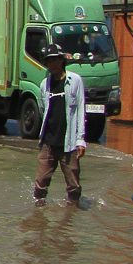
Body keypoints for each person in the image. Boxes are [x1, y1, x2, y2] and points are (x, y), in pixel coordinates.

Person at [32, 48, 86, 205]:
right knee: (40, 183)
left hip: (69, 144)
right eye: (49, 61)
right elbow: (43, 109)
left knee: (73, 184)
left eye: (54, 60)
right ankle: (39, 212)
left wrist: (80, 140)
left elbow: (81, 110)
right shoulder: (45, 84)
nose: (52, 64)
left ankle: (72, 211)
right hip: (48, 142)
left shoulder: (75, 80)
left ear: (62, 60)